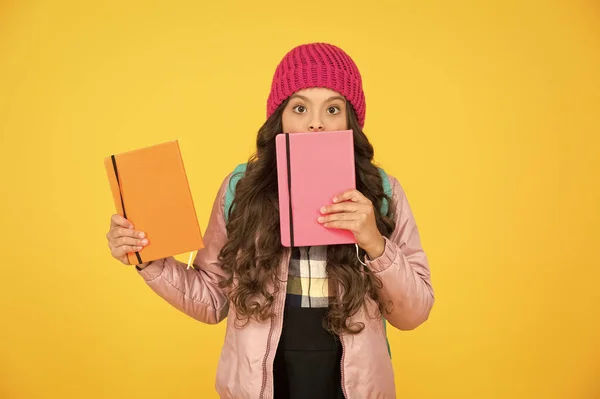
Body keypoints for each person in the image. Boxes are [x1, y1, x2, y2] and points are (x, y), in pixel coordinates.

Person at [106, 42, 434, 399]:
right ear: (280, 118)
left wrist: (375, 243)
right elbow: (213, 299)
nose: (316, 122)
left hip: (353, 383)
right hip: (264, 381)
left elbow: (413, 313)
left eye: (333, 109)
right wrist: (149, 259)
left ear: (350, 120)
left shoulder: (382, 191)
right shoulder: (241, 188)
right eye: (299, 108)